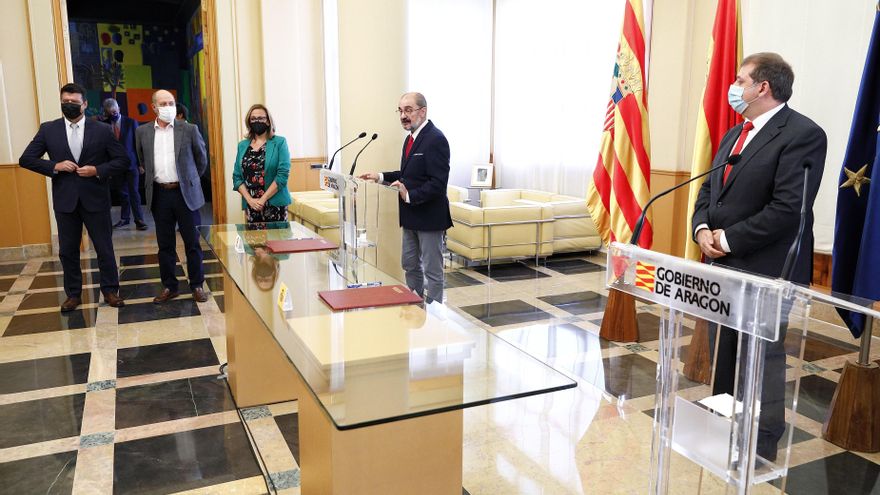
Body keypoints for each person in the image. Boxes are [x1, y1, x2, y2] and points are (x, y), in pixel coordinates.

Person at [692, 52, 827, 462]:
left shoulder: (802, 133)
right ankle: (723, 430)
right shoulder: (735, 135)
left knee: (761, 359)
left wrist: (727, 238)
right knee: (726, 356)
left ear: (762, 87)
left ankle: (761, 445)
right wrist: (701, 230)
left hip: (767, 271)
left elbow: (789, 209)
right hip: (723, 269)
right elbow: (706, 193)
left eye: (740, 79)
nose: (734, 87)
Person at [19, 83, 128, 311]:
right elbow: (26, 159)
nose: (69, 105)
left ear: (85, 104)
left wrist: (97, 170)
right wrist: (55, 165)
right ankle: (73, 295)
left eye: (74, 102)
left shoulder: (102, 130)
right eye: (65, 102)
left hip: (95, 198)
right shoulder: (48, 129)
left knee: (104, 247)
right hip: (65, 201)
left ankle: (110, 291)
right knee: (67, 251)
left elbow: (121, 161)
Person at [359, 92, 452, 304]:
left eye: (408, 110)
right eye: (400, 111)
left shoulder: (436, 139)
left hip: (429, 217)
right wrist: (380, 177)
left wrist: (409, 194)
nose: (403, 115)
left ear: (423, 111)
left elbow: (438, 184)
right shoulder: (410, 138)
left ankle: (435, 314)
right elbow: (406, 176)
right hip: (410, 215)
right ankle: (415, 305)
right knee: (409, 264)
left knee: (432, 271)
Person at [136, 90, 209, 304]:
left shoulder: (189, 129)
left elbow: (201, 159)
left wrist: (190, 179)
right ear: (154, 107)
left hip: (185, 194)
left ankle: (197, 285)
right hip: (160, 194)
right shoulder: (143, 132)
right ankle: (170, 286)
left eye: (171, 102)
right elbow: (143, 159)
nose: (168, 106)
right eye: (163, 103)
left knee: (192, 243)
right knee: (165, 244)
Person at [231, 104, 291, 222]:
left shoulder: (280, 142)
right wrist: (250, 200)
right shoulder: (242, 145)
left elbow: (282, 176)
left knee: (276, 240)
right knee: (253, 240)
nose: (257, 121)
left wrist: (262, 199)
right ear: (249, 122)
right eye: (253, 119)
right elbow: (237, 177)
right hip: (251, 205)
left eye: (261, 118)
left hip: (275, 205)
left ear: (268, 122)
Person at [100, 98, 147, 231]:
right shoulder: (104, 125)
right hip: (115, 166)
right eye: (110, 112)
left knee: (134, 193)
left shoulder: (131, 122)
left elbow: (139, 145)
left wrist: (141, 164)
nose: (113, 114)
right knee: (122, 193)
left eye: (114, 111)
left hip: (132, 165)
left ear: (119, 109)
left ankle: (139, 220)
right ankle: (124, 219)